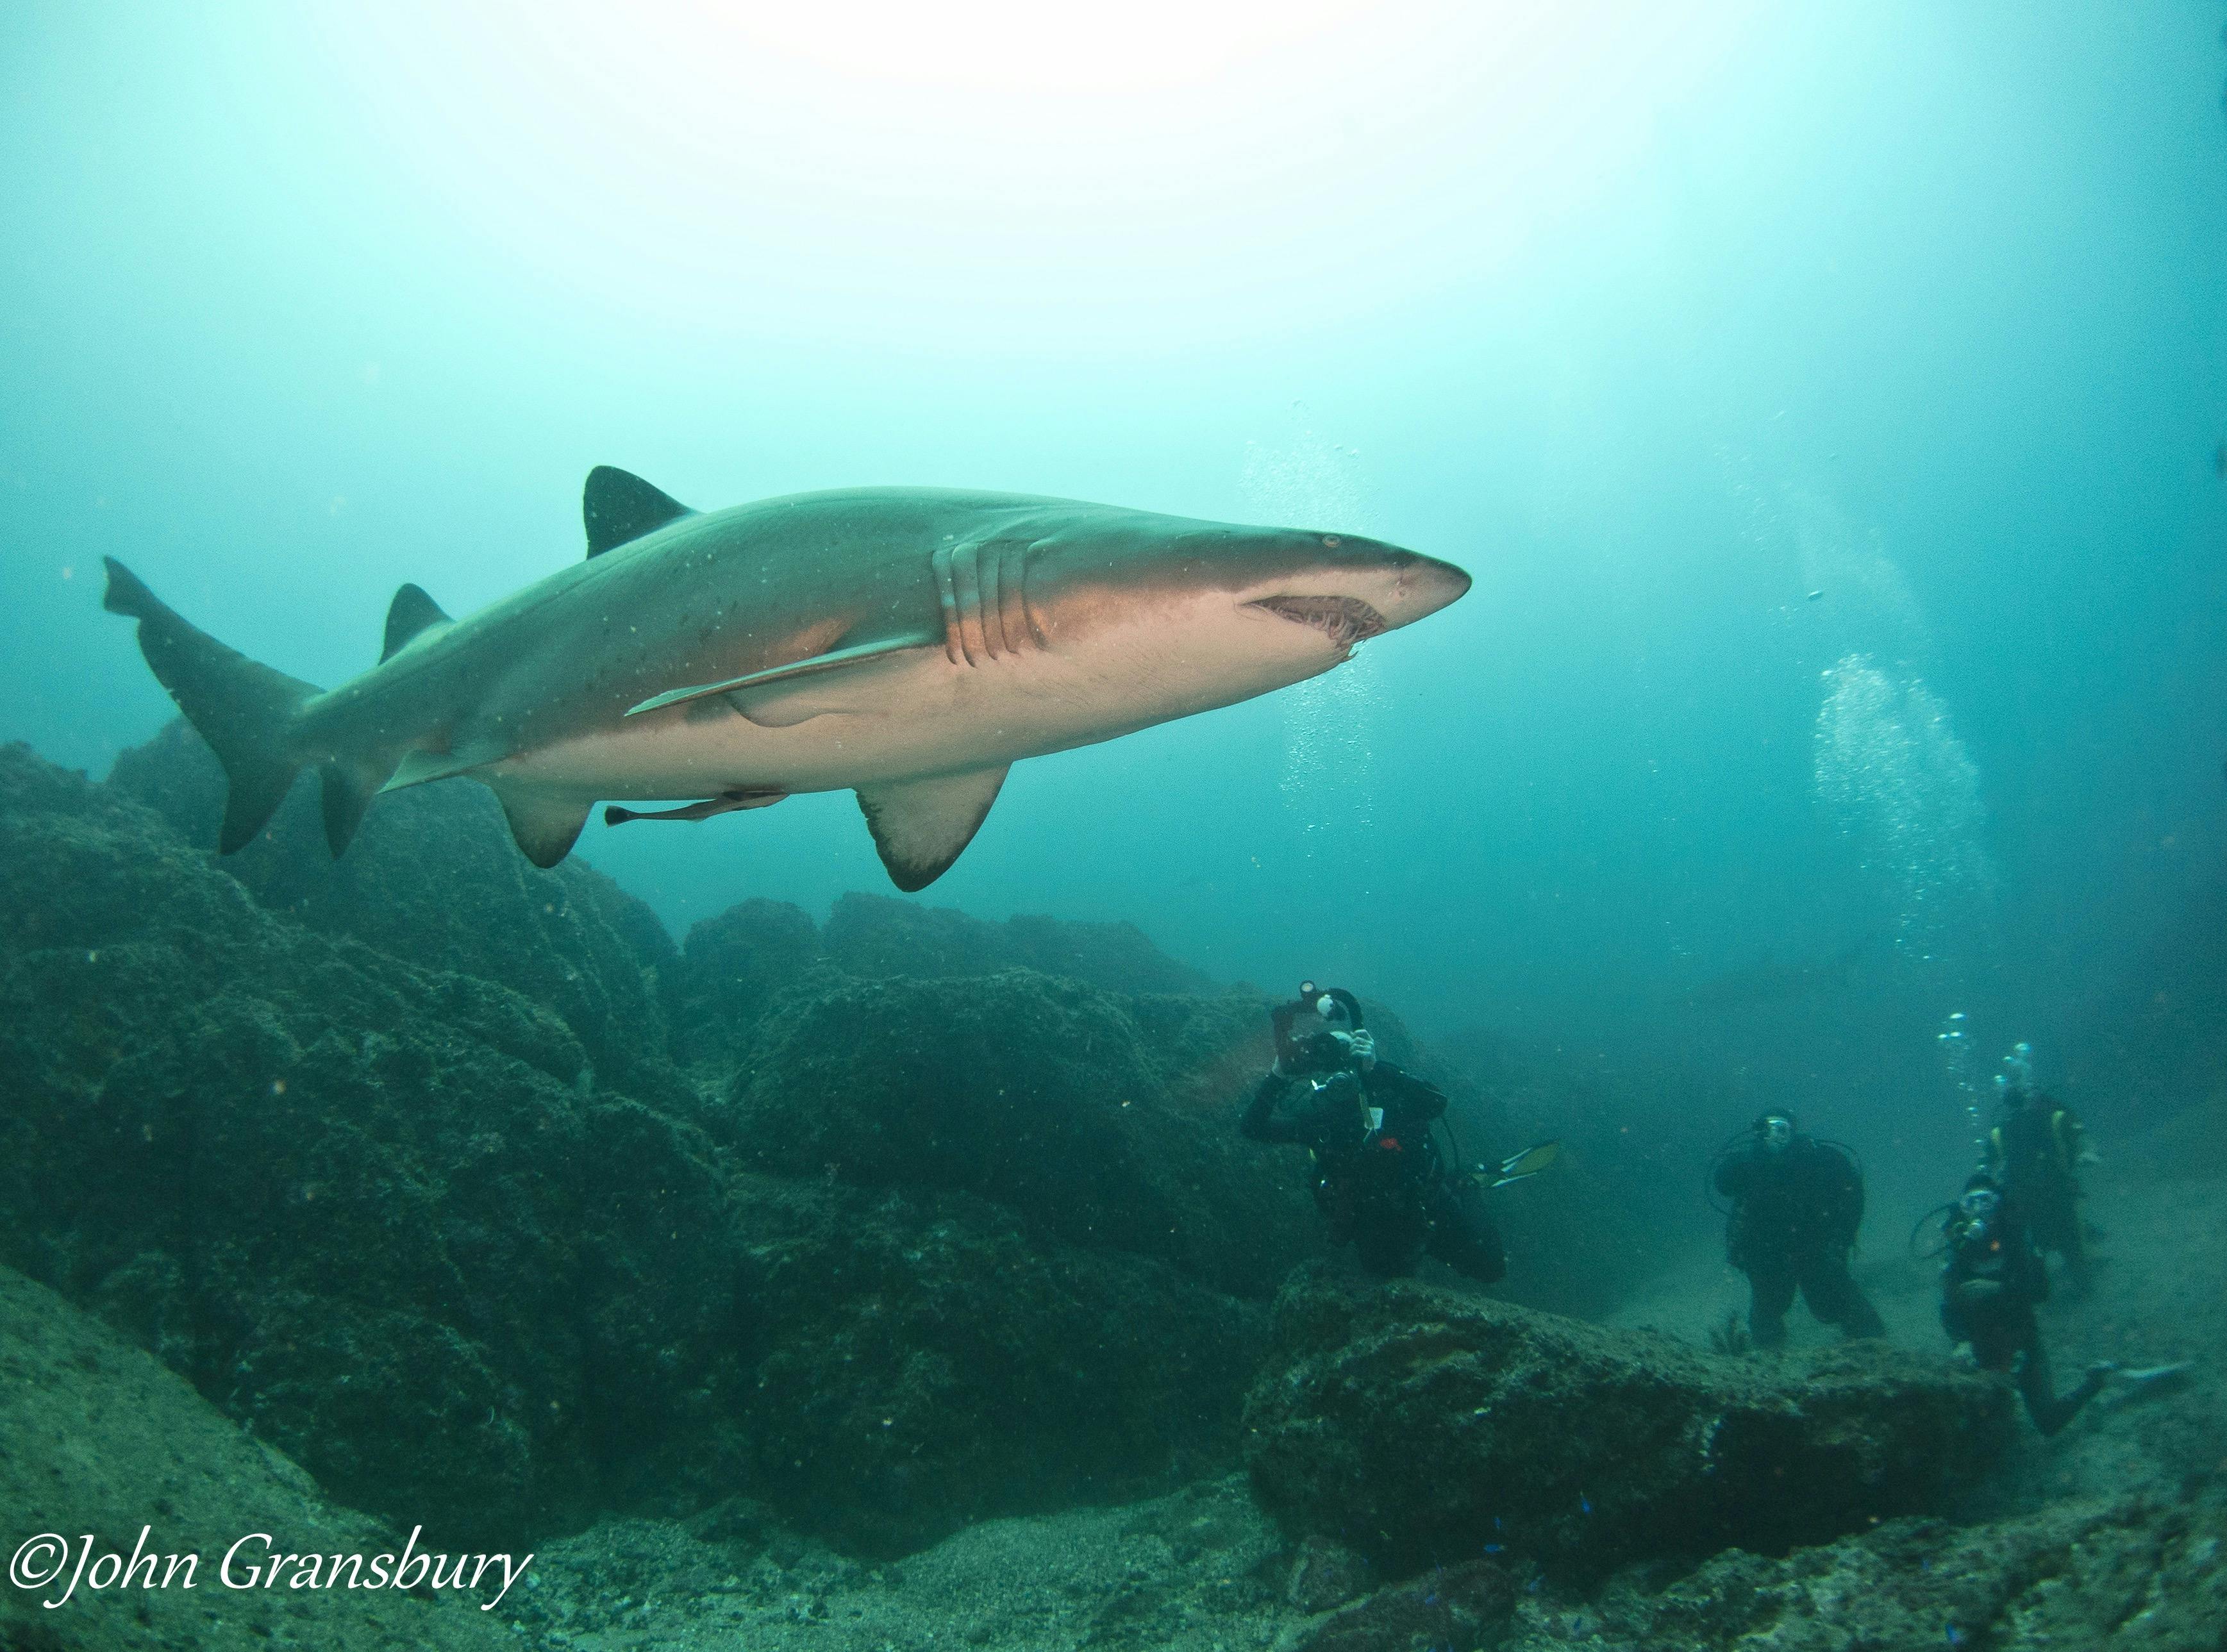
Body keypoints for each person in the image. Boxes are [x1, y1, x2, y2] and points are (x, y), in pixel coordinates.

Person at [1239, 985, 1506, 1283]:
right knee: (1382, 1273)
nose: (1339, 1068)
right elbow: (1252, 1128)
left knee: (1491, 1268)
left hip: (1427, 1202)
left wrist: (1377, 1069)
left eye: (1345, 1053)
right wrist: (1278, 1076)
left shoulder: (1387, 1095)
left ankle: (1465, 1183)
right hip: (1372, 1219)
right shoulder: (1321, 1120)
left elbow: (1436, 1103)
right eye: (1328, 1058)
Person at [1939, 1172, 2112, 1435]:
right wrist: (1960, 1341)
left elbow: (2040, 1291)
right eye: (1971, 1202)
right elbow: (1949, 1304)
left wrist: (1998, 1288)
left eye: (1986, 1201)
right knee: (1980, 1425)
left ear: (1999, 1203)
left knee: (2048, 1422)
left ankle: (2096, 1381)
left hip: (2020, 1334)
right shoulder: (1959, 1246)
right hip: (1979, 1341)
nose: (1979, 1210)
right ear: (1962, 1208)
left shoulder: (2016, 1236)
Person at [1712, 1111, 1884, 1346]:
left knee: (1830, 1304)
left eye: (1783, 1128)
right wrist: (1749, 1161)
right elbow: (1723, 1184)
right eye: (1771, 1128)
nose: (1778, 1135)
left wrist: (1842, 1238)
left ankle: (1872, 1343)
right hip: (1765, 1248)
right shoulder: (1748, 1161)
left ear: (1794, 1130)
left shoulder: (1817, 1157)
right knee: (1769, 1303)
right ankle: (1768, 1352)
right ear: (1760, 1132)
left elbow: (1851, 1191)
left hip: (1813, 1244)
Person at [1983, 1043, 2092, 1292]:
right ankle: (2055, 1281)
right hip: (2035, 1198)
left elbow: (2077, 1133)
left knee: (2061, 1244)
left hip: (2046, 1194)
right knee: (2043, 1247)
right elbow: (1987, 1163)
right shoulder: (2007, 1130)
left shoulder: (2044, 1117)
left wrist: (2086, 1150)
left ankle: (2070, 1279)